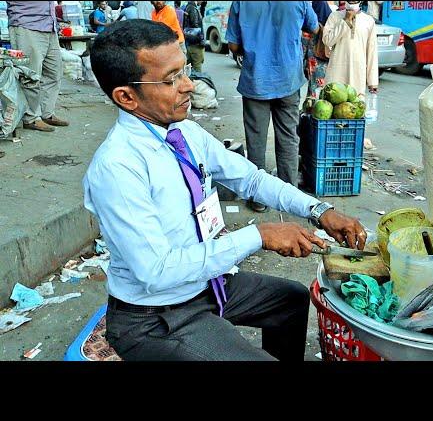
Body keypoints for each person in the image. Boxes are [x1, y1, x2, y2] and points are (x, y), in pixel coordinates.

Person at [84, 19, 367, 361]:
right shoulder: (117, 167)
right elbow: (156, 273)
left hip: (205, 284)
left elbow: (251, 179)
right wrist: (259, 235)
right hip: (156, 316)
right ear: (127, 97)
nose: (188, 85)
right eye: (171, 79)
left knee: (291, 300)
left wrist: (319, 211)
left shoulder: (184, 132)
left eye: (185, 70)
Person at [226, 2, 319, 212]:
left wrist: (252, 48)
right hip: (288, 79)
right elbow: (314, 28)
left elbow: (232, 45)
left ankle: (259, 200)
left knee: (256, 141)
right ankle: (290, 197)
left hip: (256, 79)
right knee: (288, 139)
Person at [6, 1, 69, 132]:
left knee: (54, 73)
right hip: (27, 24)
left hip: (49, 26)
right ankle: (31, 118)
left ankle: (46, 113)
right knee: (30, 75)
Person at [323, 0, 378, 96]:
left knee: (354, 108)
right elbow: (328, 41)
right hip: (336, 75)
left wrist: (372, 80)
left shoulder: (369, 21)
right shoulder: (334, 16)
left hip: (357, 75)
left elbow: (372, 52)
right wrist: (346, 21)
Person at [303, 1, 333, 98]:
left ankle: (312, 107)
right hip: (312, 49)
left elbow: (317, 27)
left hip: (316, 49)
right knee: (314, 81)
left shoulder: (320, 3)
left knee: (316, 81)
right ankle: (310, 106)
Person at [182, 1, 205, 72]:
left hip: (189, 43)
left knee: (189, 69)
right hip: (195, 44)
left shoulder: (188, 7)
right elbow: (195, 25)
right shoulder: (193, 8)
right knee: (197, 68)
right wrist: (201, 39)